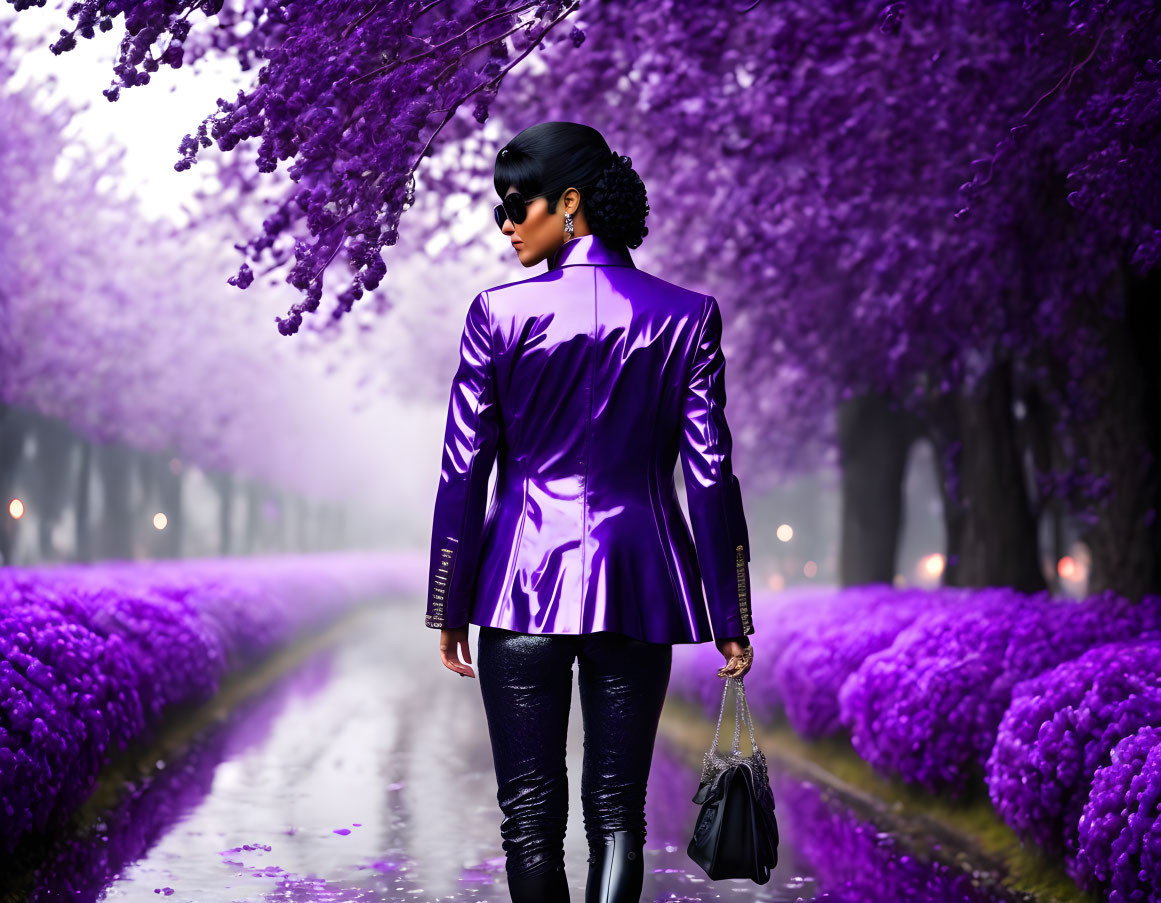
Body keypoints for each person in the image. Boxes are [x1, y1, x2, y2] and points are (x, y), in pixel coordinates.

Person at [424, 121, 755, 903]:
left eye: (516, 205)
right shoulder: (687, 316)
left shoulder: (495, 315)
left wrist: (448, 599)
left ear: (569, 203)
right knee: (618, 815)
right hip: (639, 586)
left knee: (529, 817)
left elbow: (462, 470)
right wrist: (728, 610)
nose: (506, 225)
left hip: (517, 586)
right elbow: (710, 475)